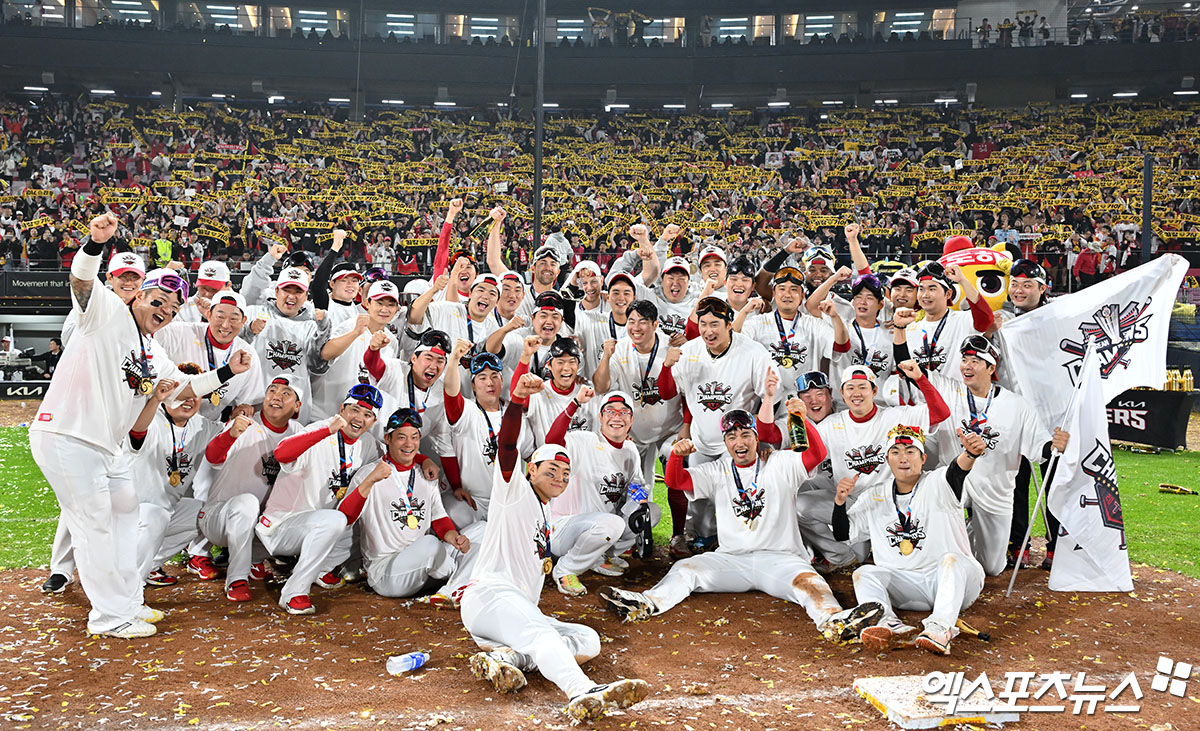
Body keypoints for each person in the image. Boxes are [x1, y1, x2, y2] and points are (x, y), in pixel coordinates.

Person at [30, 213, 251, 638]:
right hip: (67, 434)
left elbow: (185, 389)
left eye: (171, 309)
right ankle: (109, 617)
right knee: (94, 523)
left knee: (126, 516)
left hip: (105, 447)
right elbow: (80, 282)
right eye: (157, 301)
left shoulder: (151, 350)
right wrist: (95, 243)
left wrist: (226, 372)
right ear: (137, 296)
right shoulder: (106, 313)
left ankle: (129, 601)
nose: (164, 312)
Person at [599, 404, 884, 646]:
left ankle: (834, 621)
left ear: (756, 438)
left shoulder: (780, 462)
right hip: (731, 560)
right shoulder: (718, 469)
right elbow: (676, 482)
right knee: (685, 569)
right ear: (725, 442)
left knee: (810, 584)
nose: (740, 442)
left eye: (746, 434)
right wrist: (675, 456)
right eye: (732, 436)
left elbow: (815, 456)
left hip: (781, 559)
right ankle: (646, 603)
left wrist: (803, 419)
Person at [459, 373, 650, 723]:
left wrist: (641, 503)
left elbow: (637, 486)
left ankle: (508, 659)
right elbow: (507, 446)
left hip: (515, 609)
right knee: (542, 633)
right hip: (490, 596)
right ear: (531, 470)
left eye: (566, 473)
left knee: (588, 639)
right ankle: (582, 690)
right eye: (552, 470)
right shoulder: (512, 490)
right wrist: (516, 400)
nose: (560, 478)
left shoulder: (548, 504)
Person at [834, 424, 989, 655]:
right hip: (904, 587)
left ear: (923, 458)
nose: (903, 458)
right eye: (895, 452)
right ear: (887, 459)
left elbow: (957, 470)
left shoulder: (939, 482)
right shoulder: (873, 496)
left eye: (910, 451)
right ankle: (889, 625)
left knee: (951, 560)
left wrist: (971, 454)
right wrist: (839, 503)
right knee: (864, 573)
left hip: (952, 582)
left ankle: (940, 628)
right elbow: (843, 535)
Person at [933, 336, 1069, 575]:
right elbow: (910, 369)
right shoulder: (950, 390)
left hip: (994, 490)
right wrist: (901, 329)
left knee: (992, 567)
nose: (967, 366)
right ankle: (951, 543)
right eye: (964, 360)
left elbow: (1039, 448)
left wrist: (1055, 445)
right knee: (938, 506)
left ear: (991, 368)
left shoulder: (1017, 406)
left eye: (975, 361)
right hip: (958, 481)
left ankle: (971, 529)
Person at [655, 296, 780, 556]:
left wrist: (762, 440)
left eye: (715, 324)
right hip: (700, 439)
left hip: (735, 442)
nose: (708, 331)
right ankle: (701, 538)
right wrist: (666, 367)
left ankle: (738, 543)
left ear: (729, 324)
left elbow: (770, 398)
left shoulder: (753, 352)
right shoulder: (689, 351)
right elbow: (667, 393)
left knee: (734, 492)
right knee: (697, 495)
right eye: (703, 324)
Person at [796, 361, 949, 571]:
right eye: (850, 388)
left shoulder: (894, 416)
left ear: (873, 390)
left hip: (888, 504)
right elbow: (807, 460)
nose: (856, 393)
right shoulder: (830, 425)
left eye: (862, 387)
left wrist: (920, 379)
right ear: (842, 392)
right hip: (851, 504)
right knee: (800, 505)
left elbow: (940, 413)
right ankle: (841, 557)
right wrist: (798, 420)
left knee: (898, 562)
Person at [258, 383, 383, 615]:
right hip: (282, 526)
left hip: (317, 525)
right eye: (354, 410)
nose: (359, 418)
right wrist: (326, 430)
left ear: (373, 422)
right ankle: (293, 593)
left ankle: (320, 568)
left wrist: (424, 459)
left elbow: (396, 453)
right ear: (342, 409)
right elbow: (281, 453)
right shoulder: (320, 429)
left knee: (362, 510)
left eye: (367, 414)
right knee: (335, 519)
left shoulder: (368, 445)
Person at [337, 407, 482, 598]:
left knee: (482, 530)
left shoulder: (425, 473)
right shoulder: (368, 474)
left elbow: (439, 519)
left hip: (425, 566)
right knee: (430, 545)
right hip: (388, 571)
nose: (409, 444)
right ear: (387, 439)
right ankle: (459, 576)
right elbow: (345, 517)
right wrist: (370, 481)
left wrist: (453, 537)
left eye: (414, 437)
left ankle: (451, 589)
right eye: (401, 437)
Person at [196, 375, 304, 602]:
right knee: (247, 503)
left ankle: (254, 558)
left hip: (258, 525)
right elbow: (213, 457)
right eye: (272, 391)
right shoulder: (245, 423)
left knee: (297, 510)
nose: (277, 396)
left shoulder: (297, 431)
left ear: (297, 406)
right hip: (219, 517)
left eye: (286, 394)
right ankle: (237, 578)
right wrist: (232, 433)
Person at [545, 390, 653, 594]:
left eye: (623, 413)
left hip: (600, 526)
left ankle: (598, 557)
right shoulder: (584, 441)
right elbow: (552, 440)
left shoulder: (630, 450)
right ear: (600, 417)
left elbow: (636, 486)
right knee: (613, 523)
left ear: (631, 420)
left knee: (650, 513)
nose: (617, 417)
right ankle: (565, 569)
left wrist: (640, 500)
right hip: (565, 527)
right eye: (610, 411)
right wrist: (575, 403)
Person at [128, 363, 222, 587]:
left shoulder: (202, 425)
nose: (189, 400)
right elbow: (137, 432)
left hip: (163, 512)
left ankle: (147, 566)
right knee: (154, 515)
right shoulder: (150, 417)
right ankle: (128, 588)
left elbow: (229, 437)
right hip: (130, 513)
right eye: (181, 394)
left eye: (194, 394)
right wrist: (155, 400)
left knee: (204, 515)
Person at [594, 299, 683, 491]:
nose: (636, 327)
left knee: (676, 472)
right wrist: (605, 357)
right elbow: (601, 387)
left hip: (669, 428)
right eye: (631, 321)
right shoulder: (620, 348)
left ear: (655, 325)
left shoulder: (672, 347)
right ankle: (641, 517)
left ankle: (685, 521)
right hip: (635, 432)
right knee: (637, 486)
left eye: (642, 321)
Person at [442, 343, 535, 527]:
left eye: (494, 377)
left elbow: (529, 454)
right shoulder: (466, 411)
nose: (490, 383)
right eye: (482, 378)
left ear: (502, 381)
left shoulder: (514, 411)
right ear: (474, 386)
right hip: (474, 501)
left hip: (509, 498)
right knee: (458, 516)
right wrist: (453, 361)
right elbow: (451, 395)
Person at [155, 290, 265, 423]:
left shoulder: (247, 355)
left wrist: (243, 410)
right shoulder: (177, 333)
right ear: (208, 314)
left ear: (243, 321)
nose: (225, 325)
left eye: (234, 319)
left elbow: (250, 403)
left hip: (207, 429)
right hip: (162, 422)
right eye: (220, 316)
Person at [241, 266, 332, 423]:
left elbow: (318, 366)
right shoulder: (253, 313)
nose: (291, 296)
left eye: (298, 292)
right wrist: (248, 331)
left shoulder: (311, 326)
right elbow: (230, 352)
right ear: (276, 291)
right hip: (253, 406)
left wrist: (325, 328)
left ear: (306, 296)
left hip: (294, 413)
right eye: (286, 290)